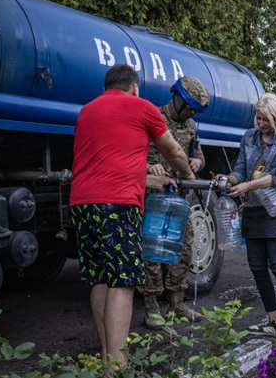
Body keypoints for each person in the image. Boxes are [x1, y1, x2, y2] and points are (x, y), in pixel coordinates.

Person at [69, 64, 194, 367]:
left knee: (100, 278)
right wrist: (187, 176)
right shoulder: (143, 107)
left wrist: (149, 180)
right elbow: (174, 152)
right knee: (122, 282)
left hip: (82, 203)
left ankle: (105, 356)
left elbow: (106, 162)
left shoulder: (87, 111)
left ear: (106, 86)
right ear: (134, 87)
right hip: (117, 204)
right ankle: (117, 365)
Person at [216, 93, 276, 352]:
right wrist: (232, 179)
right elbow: (240, 168)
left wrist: (248, 184)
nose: (261, 124)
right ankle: (273, 320)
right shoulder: (248, 137)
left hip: (275, 211)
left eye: (266, 120)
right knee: (258, 267)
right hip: (252, 210)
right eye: (258, 119)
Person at [138, 76, 210, 330]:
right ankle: (152, 307)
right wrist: (148, 167)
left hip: (179, 200)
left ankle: (177, 303)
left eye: (195, 110)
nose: (191, 113)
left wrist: (197, 163)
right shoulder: (152, 117)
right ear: (177, 98)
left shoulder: (191, 126)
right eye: (190, 107)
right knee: (152, 252)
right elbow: (131, 155)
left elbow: (198, 154)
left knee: (184, 248)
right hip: (152, 200)